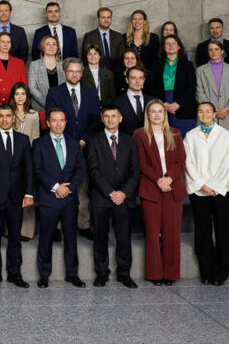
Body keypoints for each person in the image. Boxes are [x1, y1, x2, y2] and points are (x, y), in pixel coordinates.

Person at [45, 58, 101, 239]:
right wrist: (69, 142)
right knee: (60, 185)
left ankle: (83, 224)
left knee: (82, 186)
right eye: (71, 71)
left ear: (82, 73)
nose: (74, 74)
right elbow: (52, 119)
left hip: (85, 147)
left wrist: (84, 139)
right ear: (64, 72)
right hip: (61, 145)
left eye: (78, 71)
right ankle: (57, 226)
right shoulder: (55, 92)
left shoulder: (91, 93)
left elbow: (96, 121)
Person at [0, 105, 34, 289]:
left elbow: (29, 169)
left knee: (15, 238)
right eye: (1, 116)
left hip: (17, 197)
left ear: (13, 118)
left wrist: (28, 193)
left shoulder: (23, 140)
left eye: (8, 116)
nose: (4, 119)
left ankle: (14, 273)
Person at [86, 105, 140, 288]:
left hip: (124, 198)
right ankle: (102, 273)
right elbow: (93, 171)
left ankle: (124, 273)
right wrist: (110, 192)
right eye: (107, 116)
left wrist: (123, 193)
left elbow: (135, 172)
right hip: (102, 198)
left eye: (114, 116)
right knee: (100, 237)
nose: (110, 119)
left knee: (124, 238)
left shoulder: (130, 141)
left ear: (120, 118)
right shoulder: (94, 141)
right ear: (102, 118)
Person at [135, 99, 186, 286]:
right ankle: (155, 274)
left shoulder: (175, 133)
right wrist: (159, 180)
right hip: (151, 188)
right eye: (153, 112)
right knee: (152, 233)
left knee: (172, 233)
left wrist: (169, 179)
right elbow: (142, 163)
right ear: (147, 115)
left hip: (173, 188)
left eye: (160, 112)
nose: (157, 115)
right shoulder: (140, 135)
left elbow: (181, 161)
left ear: (165, 115)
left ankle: (170, 273)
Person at [32, 109, 85, 289]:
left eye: (62, 120)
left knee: (71, 238)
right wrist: (56, 187)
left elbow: (80, 169)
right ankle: (44, 274)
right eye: (54, 121)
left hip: (69, 199)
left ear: (66, 122)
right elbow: (38, 170)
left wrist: (67, 189)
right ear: (47, 123)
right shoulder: (38, 144)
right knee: (46, 238)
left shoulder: (73, 143)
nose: (58, 124)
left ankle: (72, 274)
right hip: (49, 198)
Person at [185, 102, 229, 285]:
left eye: (208, 111)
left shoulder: (225, 135)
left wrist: (213, 186)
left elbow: (228, 163)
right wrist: (201, 185)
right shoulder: (191, 136)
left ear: (214, 114)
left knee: (222, 232)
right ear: (197, 114)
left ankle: (221, 272)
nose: (204, 114)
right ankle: (207, 271)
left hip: (221, 191)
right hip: (199, 193)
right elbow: (187, 163)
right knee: (203, 232)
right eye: (201, 111)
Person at [196, 40, 229, 187]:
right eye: (210, 49)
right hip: (209, 116)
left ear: (222, 51)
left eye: (216, 49)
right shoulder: (200, 70)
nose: (213, 52)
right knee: (208, 152)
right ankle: (210, 183)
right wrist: (212, 111)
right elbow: (199, 92)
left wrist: (227, 108)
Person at [8, 82, 39, 241]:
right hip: (11, 160)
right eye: (17, 94)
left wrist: (32, 160)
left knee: (28, 194)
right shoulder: (8, 113)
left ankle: (26, 231)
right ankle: (10, 229)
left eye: (23, 94)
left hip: (28, 159)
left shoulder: (33, 115)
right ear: (13, 96)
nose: (20, 97)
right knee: (11, 195)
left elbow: (35, 139)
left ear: (27, 96)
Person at [151, 34, 197, 136]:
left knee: (185, 141)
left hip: (183, 106)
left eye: (173, 43)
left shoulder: (187, 65)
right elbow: (152, 87)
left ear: (179, 46)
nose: (170, 46)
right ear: (163, 47)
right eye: (167, 44)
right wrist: (162, 103)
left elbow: (191, 87)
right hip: (162, 104)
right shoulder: (156, 65)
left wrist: (178, 103)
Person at [0, 32, 28, 126]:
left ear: (11, 44)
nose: (5, 45)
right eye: (3, 42)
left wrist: (16, 106)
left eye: (8, 42)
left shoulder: (19, 63)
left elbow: (24, 86)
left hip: (16, 109)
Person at [27, 35, 64, 111]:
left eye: (54, 44)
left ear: (57, 47)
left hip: (61, 107)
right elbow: (32, 88)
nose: (51, 46)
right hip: (41, 109)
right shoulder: (34, 65)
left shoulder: (64, 65)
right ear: (43, 48)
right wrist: (47, 103)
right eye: (47, 44)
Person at [114, 66, 152, 136]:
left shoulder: (152, 101)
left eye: (140, 78)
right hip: (126, 144)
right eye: (134, 78)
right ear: (127, 80)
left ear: (144, 80)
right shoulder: (116, 103)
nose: (137, 81)